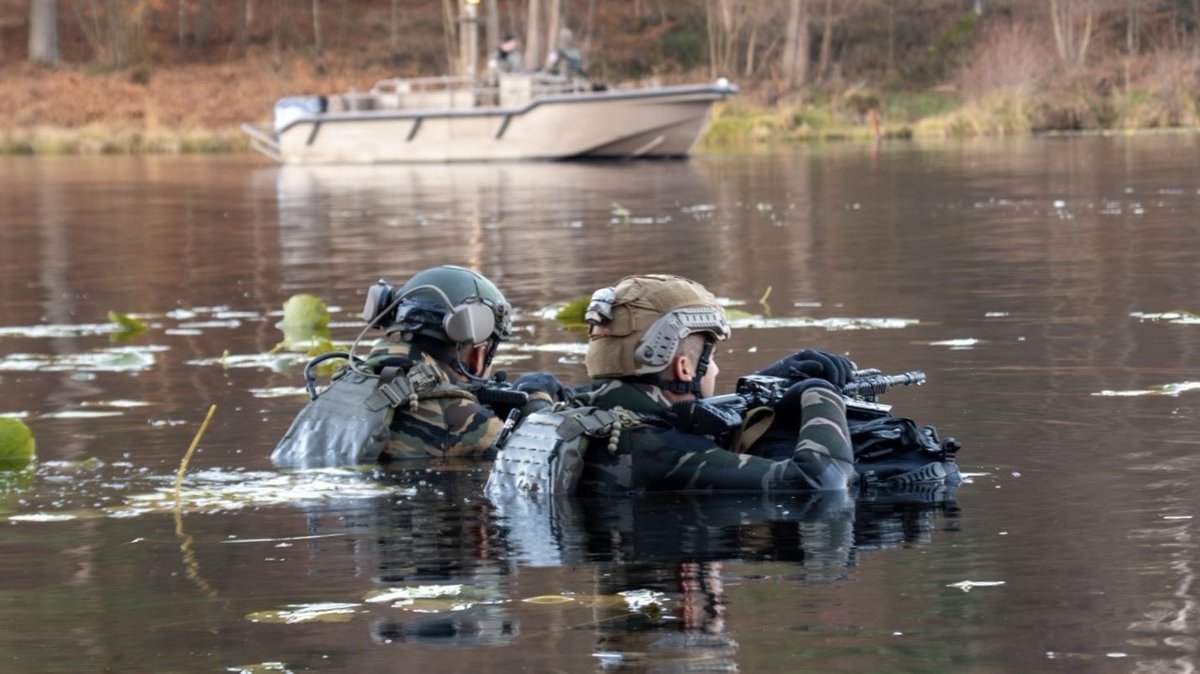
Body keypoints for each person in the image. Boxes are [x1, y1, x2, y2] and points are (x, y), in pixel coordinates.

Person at [489, 273, 857, 495]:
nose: (715, 369)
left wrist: (765, 382)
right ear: (684, 368)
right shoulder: (661, 450)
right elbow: (819, 479)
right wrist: (819, 393)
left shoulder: (564, 416)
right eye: (709, 358)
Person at [272, 265, 565, 467]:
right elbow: (542, 457)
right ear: (477, 351)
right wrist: (537, 399)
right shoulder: (452, 414)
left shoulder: (346, 384)